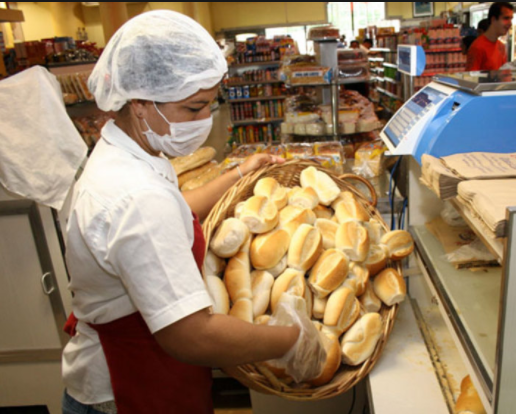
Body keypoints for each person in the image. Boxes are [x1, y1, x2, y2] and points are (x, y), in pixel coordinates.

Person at [61, 10, 325, 414]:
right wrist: (294, 341)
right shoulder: (135, 196)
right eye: (193, 107)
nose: (206, 119)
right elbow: (191, 336)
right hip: (127, 389)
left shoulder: (130, 150)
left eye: (210, 104)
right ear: (141, 104)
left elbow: (175, 210)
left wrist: (240, 172)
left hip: (145, 373)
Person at [466, 2, 514, 71]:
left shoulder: (501, 47)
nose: (510, 23)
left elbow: (503, 74)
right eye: (506, 18)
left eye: (511, 19)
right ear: (493, 19)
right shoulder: (478, 47)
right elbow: (471, 78)